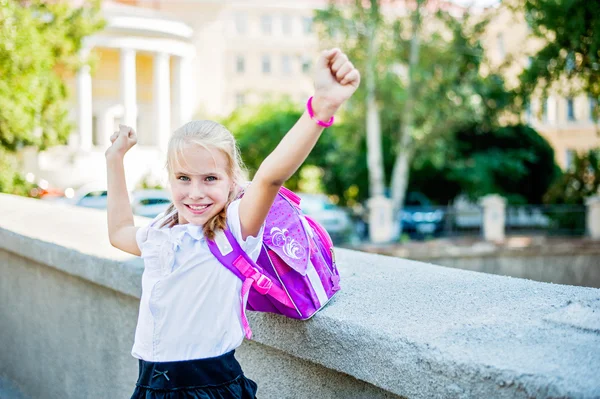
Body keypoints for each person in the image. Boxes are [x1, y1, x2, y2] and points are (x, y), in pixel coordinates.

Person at [105, 48, 360, 399]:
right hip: (152, 386)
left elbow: (271, 176)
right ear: (170, 178)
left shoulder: (235, 229)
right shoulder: (161, 234)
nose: (195, 192)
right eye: (183, 178)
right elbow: (119, 233)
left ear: (232, 183)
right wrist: (115, 159)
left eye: (210, 179)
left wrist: (321, 108)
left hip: (210, 387)